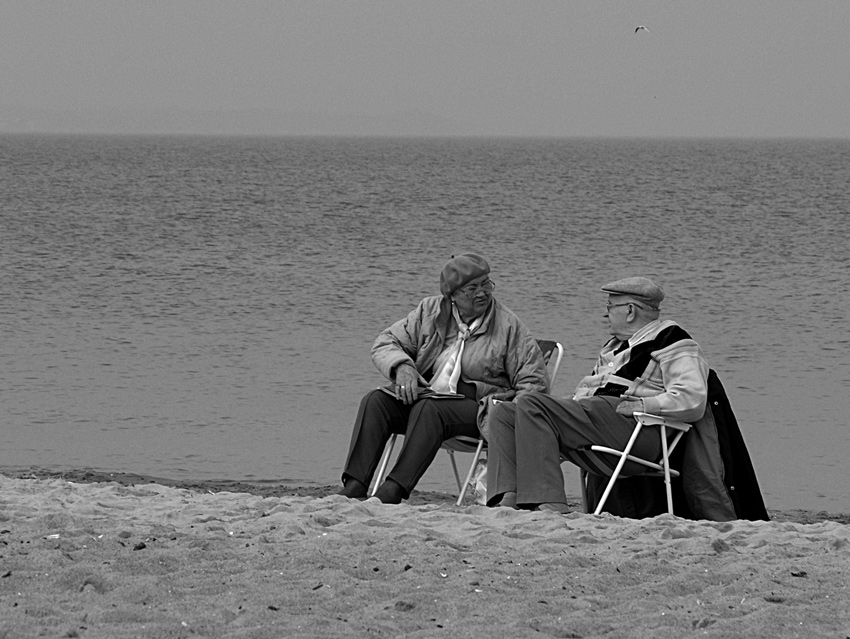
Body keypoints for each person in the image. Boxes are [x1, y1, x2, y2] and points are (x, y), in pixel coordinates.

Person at [487, 276, 711, 514]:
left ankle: (549, 503)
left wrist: (645, 404)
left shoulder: (674, 342)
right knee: (505, 413)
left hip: (637, 431)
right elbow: (588, 390)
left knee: (533, 403)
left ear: (630, 311)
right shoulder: (614, 347)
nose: (606, 315)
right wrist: (568, 405)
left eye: (609, 307)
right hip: (599, 422)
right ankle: (507, 501)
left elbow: (692, 399)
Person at [338, 253, 550, 504]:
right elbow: (385, 343)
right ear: (452, 296)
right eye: (472, 288)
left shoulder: (509, 326)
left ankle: (393, 489)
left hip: (478, 410)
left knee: (430, 409)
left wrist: (505, 421)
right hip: (426, 398)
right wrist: (403, 366)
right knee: (376, 401)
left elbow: (534, 384)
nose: (482, 293)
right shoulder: (429, 310)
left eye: (486, 284)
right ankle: (355, 485)